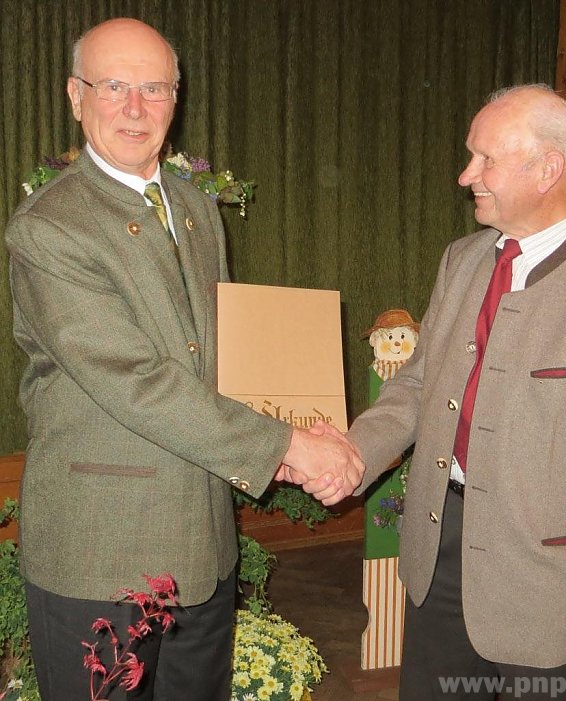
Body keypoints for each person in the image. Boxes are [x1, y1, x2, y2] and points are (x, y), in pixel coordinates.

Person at [4, 18, 362, 701]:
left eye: (154, 87)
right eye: (114, 86)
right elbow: (134, 382)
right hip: (101, 555)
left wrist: (289, 436)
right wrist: (282, 442)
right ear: (75, 96)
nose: (135, 107)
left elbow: (216, 362)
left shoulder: (196, 209)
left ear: (176, 98)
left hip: (200, 544)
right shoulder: (50, 227)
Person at [303, 85, 566, 699]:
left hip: (549, 584)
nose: (465, 174)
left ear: (548, 169)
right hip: (439, 551)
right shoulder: (463, 260)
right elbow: (420, 384)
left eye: (485, 159)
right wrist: (355, 452)